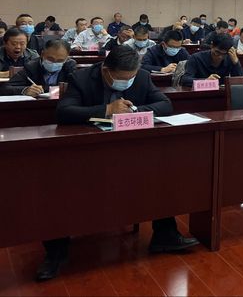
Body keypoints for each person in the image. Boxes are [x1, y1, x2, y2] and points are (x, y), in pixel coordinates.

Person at [41, 46, 199, 281]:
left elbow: (165, 104)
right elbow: (64, 112)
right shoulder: (81, 78)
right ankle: (57, 249)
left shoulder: (142, 76)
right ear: (106, 70)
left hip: (131, 150)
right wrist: (107, 110)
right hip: (88, 151)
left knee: (162, 173)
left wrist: (134, 110)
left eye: (130, 78)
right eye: (122, 78)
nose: (127, 82)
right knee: (60, 184)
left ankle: (164, 235)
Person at [2, 39, 76, 97]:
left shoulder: (69, 65)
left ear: (66, 58)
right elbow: (5, 88)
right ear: (42, 54)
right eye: (50, 59)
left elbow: (76, 87)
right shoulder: (31, 66)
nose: (54, 63)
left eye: (60, 61)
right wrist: (25, 90)